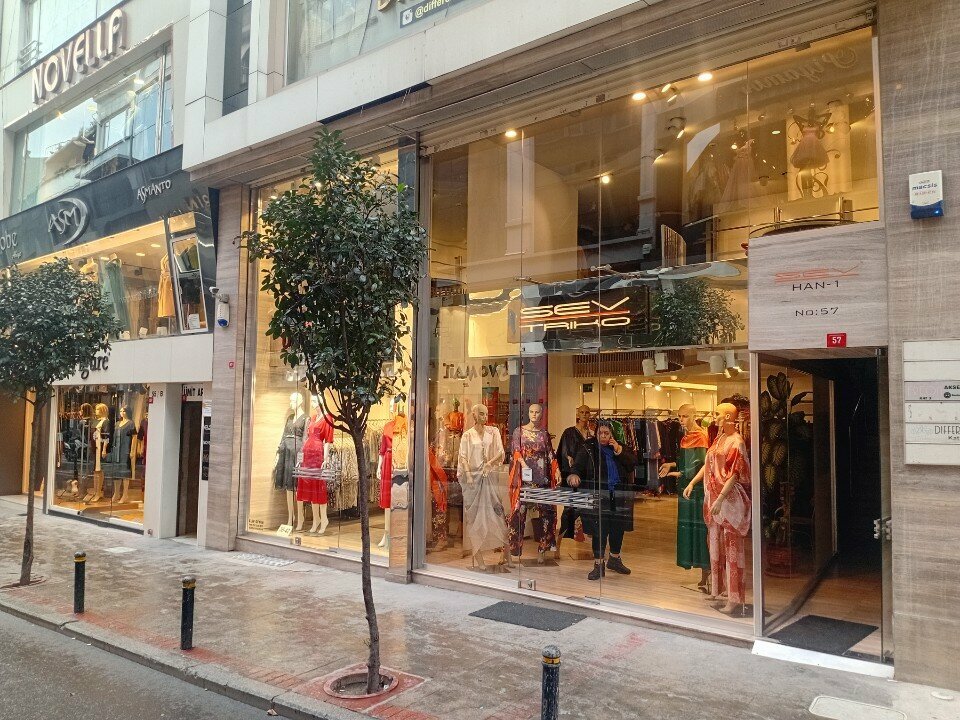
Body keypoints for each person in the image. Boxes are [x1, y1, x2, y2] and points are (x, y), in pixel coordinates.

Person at [567, 421, 638, 581]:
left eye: (607, 433)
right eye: (601, 433)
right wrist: (574, 474)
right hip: (598, 497)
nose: (604, 436)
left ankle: (614, 559)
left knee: (617, 528)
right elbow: (577, 466)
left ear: (611, 434)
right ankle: (598, 564)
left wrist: (619, 450)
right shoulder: (588, 447)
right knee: (600, 529)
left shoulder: (618, 447)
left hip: (618, 495)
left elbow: (633, 463)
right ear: (596, 433)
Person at [557, 405, 593, 543]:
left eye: (587, 412)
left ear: (590, 415)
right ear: (578, 414)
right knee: (569, 509)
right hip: (572, 475)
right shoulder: (569, 432)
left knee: (587, 508)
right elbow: (564, 453)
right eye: (582, 412)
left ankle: (589, 539)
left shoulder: (591, 434)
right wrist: (569, 468)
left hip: (587, 476)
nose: (584, 414)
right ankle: (560, 541)